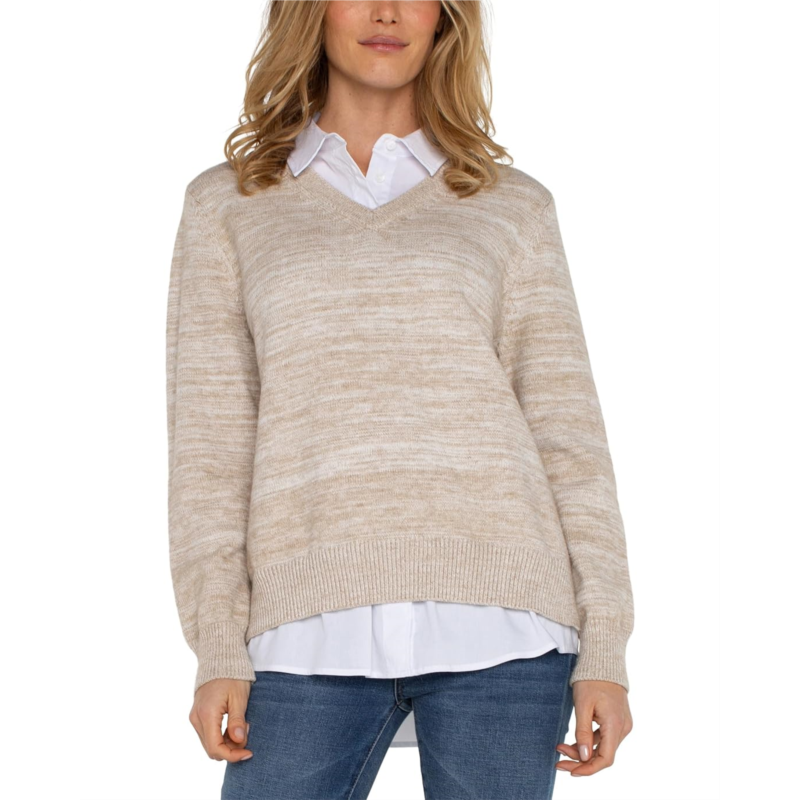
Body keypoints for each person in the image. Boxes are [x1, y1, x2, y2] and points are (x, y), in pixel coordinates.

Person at [165, 1, 635, 798]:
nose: (387, 11)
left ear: (445, 17)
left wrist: (607, 650)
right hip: (301, 632)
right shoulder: (229, 205)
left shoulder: (513, 205)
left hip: (508, 629)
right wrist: (217, 646)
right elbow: (210, 449)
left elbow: (568, 437)